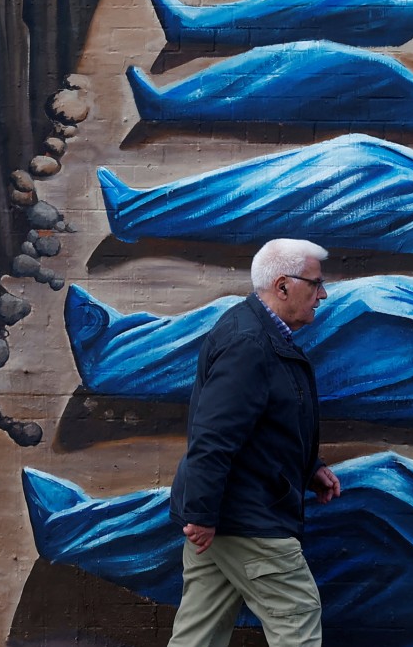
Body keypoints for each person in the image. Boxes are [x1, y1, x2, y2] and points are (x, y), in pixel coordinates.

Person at [166, 238, 340, 647]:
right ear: (283, 286)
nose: (323, 293)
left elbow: (263, 423)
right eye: (315, 283)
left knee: (199, 632)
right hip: (246, 517)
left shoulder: (258, 335)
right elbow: (213, 435)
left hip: (225, 514)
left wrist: (309, 467)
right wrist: (203, 514)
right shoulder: (249, 343)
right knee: (297, 619)